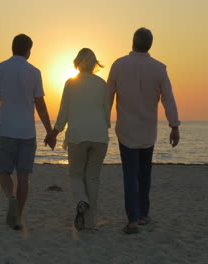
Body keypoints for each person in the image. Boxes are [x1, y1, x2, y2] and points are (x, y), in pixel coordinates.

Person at [0, 34, 54, 230]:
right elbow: (40, 105)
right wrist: (49, 131)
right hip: (26, 132)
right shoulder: (34, 72)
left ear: (12, 48)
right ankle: (18, 218)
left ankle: (11, 197)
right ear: (28, 50)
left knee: (4, 173)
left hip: (5, 130)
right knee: (24, 176)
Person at [107, 28, 180, 234]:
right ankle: (143, 214)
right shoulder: (159, 68)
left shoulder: (119, 65)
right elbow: (168, 99)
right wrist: (174, 125)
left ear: (132, 42)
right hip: (148, 131)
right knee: (145, 173)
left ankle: (132, 219)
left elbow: (108, 95)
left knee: (130, 174)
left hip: (127, 130)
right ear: (150, 44)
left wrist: (105, 120)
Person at [47, 48, 110, 231]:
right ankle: (90, 222)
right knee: (92, 178)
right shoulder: (101, 83)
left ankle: (81, 201)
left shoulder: (70, 83)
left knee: (76, 174)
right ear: (94, 64)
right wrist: (104, 126)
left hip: (78, 136)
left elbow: (64, 112)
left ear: (77, 62)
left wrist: (55, 132)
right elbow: (107, 110)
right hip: (99, 136)